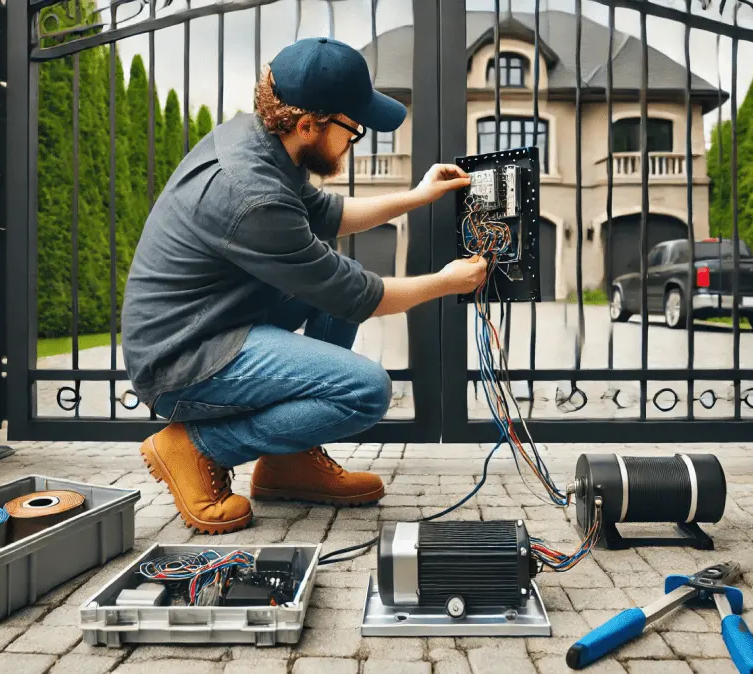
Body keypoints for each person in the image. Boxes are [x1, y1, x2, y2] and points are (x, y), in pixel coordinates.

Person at [120, 37, 488, 534]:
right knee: (365, 390)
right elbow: (361, 295)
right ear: (308, 123)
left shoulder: (264, 143)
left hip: (215, 320)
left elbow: (328, 216)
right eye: (353, 130)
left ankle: (287, 462)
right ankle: (197, 447)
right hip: (183, 358)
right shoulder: (252, 193)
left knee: (332, 288)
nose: (354, 143)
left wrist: (418, 197)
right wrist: (447, 282)